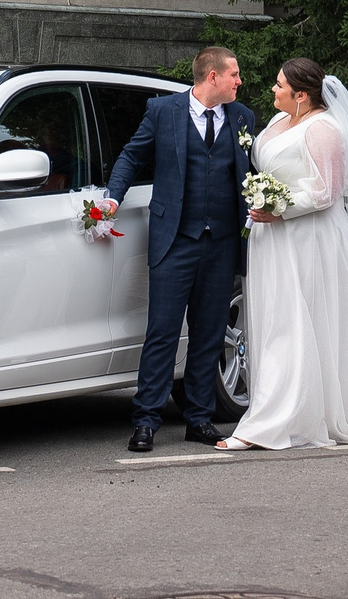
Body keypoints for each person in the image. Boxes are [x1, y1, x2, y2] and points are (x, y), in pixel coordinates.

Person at [217, 58, 348, 451]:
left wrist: (279, 208)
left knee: (298, 322)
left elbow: (326, 192)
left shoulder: (324, 129)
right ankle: (278, 409)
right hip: (271, 237)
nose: (273, 90)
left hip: (309, 238)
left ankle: (277, 421)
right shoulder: (275, 124)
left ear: (301, 96)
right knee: (273, 322)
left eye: (280, 85)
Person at [97, 46, 254, 453]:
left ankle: (198, 419)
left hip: (220, 243)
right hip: (175, 240)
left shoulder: (242, 119)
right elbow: (132, 156)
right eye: (234, 74)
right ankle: (146, 421)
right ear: (212, 77)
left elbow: (254, 173)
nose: (240, 81)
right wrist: (113, 198)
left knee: (208, 333)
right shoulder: (163, 111)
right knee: (163, 333)